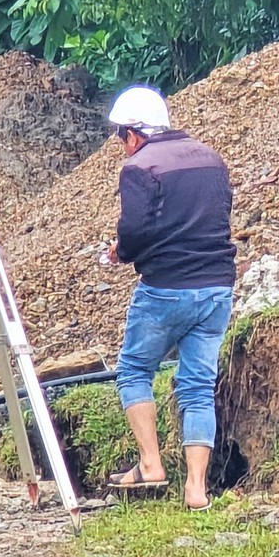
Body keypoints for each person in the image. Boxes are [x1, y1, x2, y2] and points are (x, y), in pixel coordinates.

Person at [101, 85, 236, 510]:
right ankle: (196, 490)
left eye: (121, 138)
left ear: (133, 133)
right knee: (197, 385)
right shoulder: (211, 159)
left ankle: (150, 464)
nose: (123, 148)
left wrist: (121, 252)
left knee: (134, 369)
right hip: (217, 288)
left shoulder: (141, 166)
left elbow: (137, 229)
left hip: (166, 288)